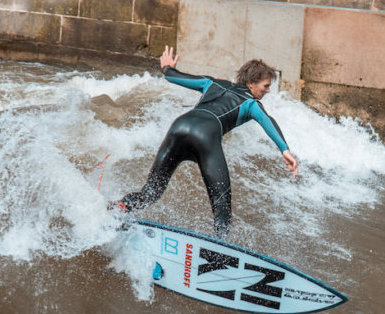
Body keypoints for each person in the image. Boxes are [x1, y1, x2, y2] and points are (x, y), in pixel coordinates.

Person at [110, 47, 298, 238]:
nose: (267, 90)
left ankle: (118, 209)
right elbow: (268, 121)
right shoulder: (251, 104)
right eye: (265, 86)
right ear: (250, 83)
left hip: (179, 127)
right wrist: (285, 149)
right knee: (222, 207)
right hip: (205, 137)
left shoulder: (213, 83)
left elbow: (174, 77)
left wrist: (167, 68)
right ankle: (217, 251)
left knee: (150, 193)